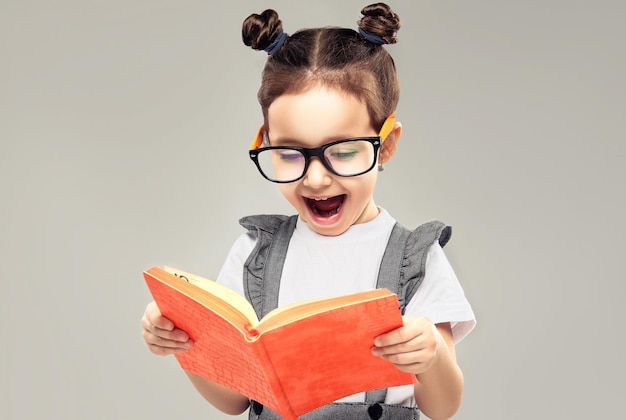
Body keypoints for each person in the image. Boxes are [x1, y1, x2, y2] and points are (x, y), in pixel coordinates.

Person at [142, 3, 475, 419]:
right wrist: (186, 341)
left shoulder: (415, 258)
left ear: (386, 144)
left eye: (344, 151)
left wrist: (431, 358)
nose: (316, 180)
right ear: (265, 142)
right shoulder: (255, 254)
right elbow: (234, 401)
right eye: (289, 153)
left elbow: (443, 407)